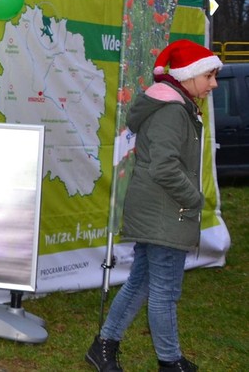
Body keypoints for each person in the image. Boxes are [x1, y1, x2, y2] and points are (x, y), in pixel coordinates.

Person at [85, 39, 221, 372]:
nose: (214, 84)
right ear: (189, 75)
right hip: (165, 212)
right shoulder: (172, 111)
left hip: (158, 210)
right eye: (209, 76)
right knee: (164, 292)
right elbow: (164, 167)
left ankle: (103, 347)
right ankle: (169, 361)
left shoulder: (173, 105)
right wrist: (194, 199)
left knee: (142, 282)